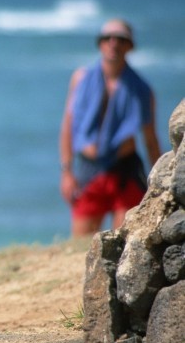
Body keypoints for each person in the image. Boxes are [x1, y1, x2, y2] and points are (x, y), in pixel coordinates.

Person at [58, 18, 162, 237]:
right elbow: (68, 127)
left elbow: (150, 140)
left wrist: (161, 184)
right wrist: (67, 172)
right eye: (108, 38)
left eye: (121, 39)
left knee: (124, 242)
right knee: (81, 245)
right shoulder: (81, 79)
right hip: (88, 170)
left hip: (124, 170)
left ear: (129, 46)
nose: (113, 43)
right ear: (100, 43)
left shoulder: (141, 90)